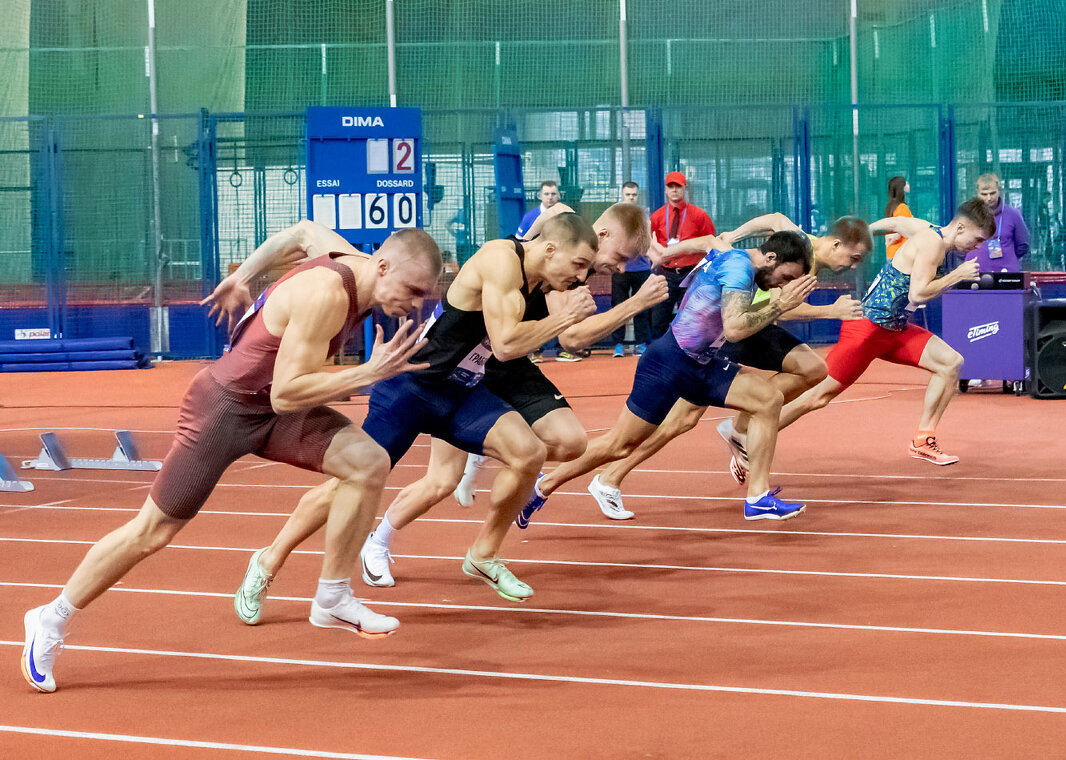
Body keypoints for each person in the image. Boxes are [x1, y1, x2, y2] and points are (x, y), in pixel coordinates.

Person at [21, 222, 443, 693]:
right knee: (151, 532)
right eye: (413, 290)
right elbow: (287, 393)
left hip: (269, 410)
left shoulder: (352, 261)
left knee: (369, 461)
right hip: (225, 407)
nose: (416, 304)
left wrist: (244, 274)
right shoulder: (328, 293)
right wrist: (367, 373)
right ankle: (50, 618)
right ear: (382, 266)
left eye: (424, 295)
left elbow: (302, 233)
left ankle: (332, 596)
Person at [230, 212, 602, 616]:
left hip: (461, 392)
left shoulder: (543, 280)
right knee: (345, 486)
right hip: (412, 386)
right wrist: (564, 317)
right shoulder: (501, 259)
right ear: (550, 249)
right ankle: (268, 559)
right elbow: (508, 344)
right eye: (579, 264)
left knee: (528, 453)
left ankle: (483, 555)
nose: (583, 277)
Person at [360, 203, 666, 588]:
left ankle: (484, 540)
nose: (619, 269)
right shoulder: (555, 255)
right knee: (442, 480)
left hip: (504, 360)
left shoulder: (568, 263)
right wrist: (635, 304)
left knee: (567, 442)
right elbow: (570, 335)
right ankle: (378, 540)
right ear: (598, 237)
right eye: (619, 257)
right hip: (465, 363)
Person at [518, 231, 817, 529]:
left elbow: (707, 243)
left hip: (701, 363)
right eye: (786, 277)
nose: (783, 285)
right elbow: (736, 328)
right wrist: (780, 304)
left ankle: (758, 497)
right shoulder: (739, 268)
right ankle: (543, 485)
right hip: (669, 362)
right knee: (618, 445)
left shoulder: (736, 260)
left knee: (768, 400)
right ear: (771, 258)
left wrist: (666, 253)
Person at [587, 214, 872, 519]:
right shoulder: (796, 254)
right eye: (854, 257)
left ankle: (741, 427)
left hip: (750, 325)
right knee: (681, 420)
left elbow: (770, 222)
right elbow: (780, 308)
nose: (853, 265)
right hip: (726, 329)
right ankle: (609, 477)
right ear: (836, 243)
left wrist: (726, 237)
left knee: (813, 370)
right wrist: (831, 310)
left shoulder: (796, 243)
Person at [774, 201, 992, 467]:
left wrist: (863, 233)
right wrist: (957, 275)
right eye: (977, 239)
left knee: (950, 363)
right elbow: (918, 294)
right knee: (817, 397)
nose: (977, 246)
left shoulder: (927, 228)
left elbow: (895, 224)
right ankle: (751, 438)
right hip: (866, 329)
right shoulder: (932, 244)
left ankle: (923, 440)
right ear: (960, 227)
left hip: (894, 330)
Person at [648, 171, 716, 340]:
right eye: (670, 186)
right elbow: (650, 241)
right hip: (666, 273)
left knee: (692, 317)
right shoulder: (657, 216)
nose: (674, 190)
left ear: (685, 188)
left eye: (678, 186)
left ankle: (690, 353)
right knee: (659, 318)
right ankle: (657, 352)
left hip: (691, 273)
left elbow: (710, 244)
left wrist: (704, 272)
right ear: (665, 190)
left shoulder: (699, 215)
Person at [610, 181, 654, 356]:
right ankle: (619, 345)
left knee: (641, 307)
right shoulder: (614, 216)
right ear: (622, 195)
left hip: (641, 269)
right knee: (618, 307)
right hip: (620, 270)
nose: (630, 197)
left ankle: (641, 343)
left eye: (633, 195)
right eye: (627, 194)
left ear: (637, 196)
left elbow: (647, 242)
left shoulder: (644, 217)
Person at [962, 173, 1030, 273]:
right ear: (977, 193)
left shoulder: (1013, 214)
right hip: (975, 274)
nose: (989, 198)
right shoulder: (967, 216)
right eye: (984, 194)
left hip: (1006, 274)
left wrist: (1008, 256)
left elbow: (1022, 245)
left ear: (999, 191)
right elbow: (960, 246)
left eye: (992, 193)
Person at [884, 176, 912, 259]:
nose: (908, 185)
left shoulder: (890, 207)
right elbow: (904, 229)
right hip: (901, 253)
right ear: (901, 188)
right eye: (905, 183)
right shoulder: (902, 207)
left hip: (891, 252)